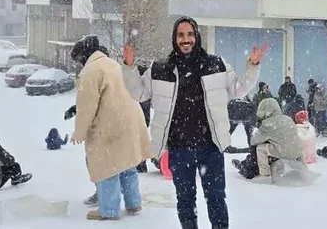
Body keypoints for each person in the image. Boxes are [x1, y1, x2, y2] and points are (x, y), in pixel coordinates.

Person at [122, 17, 267, 229]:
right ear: (175, 38)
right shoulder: (161, 68)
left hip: (210, 147)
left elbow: (239, 88)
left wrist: (253, 66)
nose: (186, 39)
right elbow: (138, 93)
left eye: (190, 34)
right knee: (185, 201)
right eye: (181, 35)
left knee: (216, 199)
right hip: (180, 149)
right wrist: (129, 67)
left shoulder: (215, 64)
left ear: (196, 36)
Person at [70, 35, 150, 221]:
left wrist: (79, 132)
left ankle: (109, 210)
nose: (78, 65)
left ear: (83, 56)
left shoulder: (91, 71)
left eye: (78, 60)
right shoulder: (112, 64)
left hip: (112, 124)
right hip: (130, 120)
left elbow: (86, 108)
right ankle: (133, 203)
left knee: (107, 167)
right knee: (127, 164)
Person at [233, 99, 302, 180]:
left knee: (260, 148)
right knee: (273, 147)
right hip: (297, 151)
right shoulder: (287, 119)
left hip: (284, 152)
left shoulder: (268, 123)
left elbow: (254, 141)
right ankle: (248, 165)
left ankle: (265, 174)